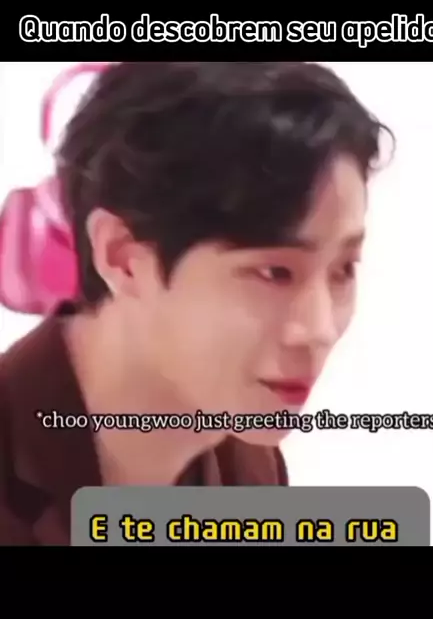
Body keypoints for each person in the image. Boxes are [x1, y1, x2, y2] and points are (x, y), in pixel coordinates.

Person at [0, 61, 388, 545]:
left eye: (344, 269)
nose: (319, 329)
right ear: (123, 258)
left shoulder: (245, 460)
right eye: (274, 272)